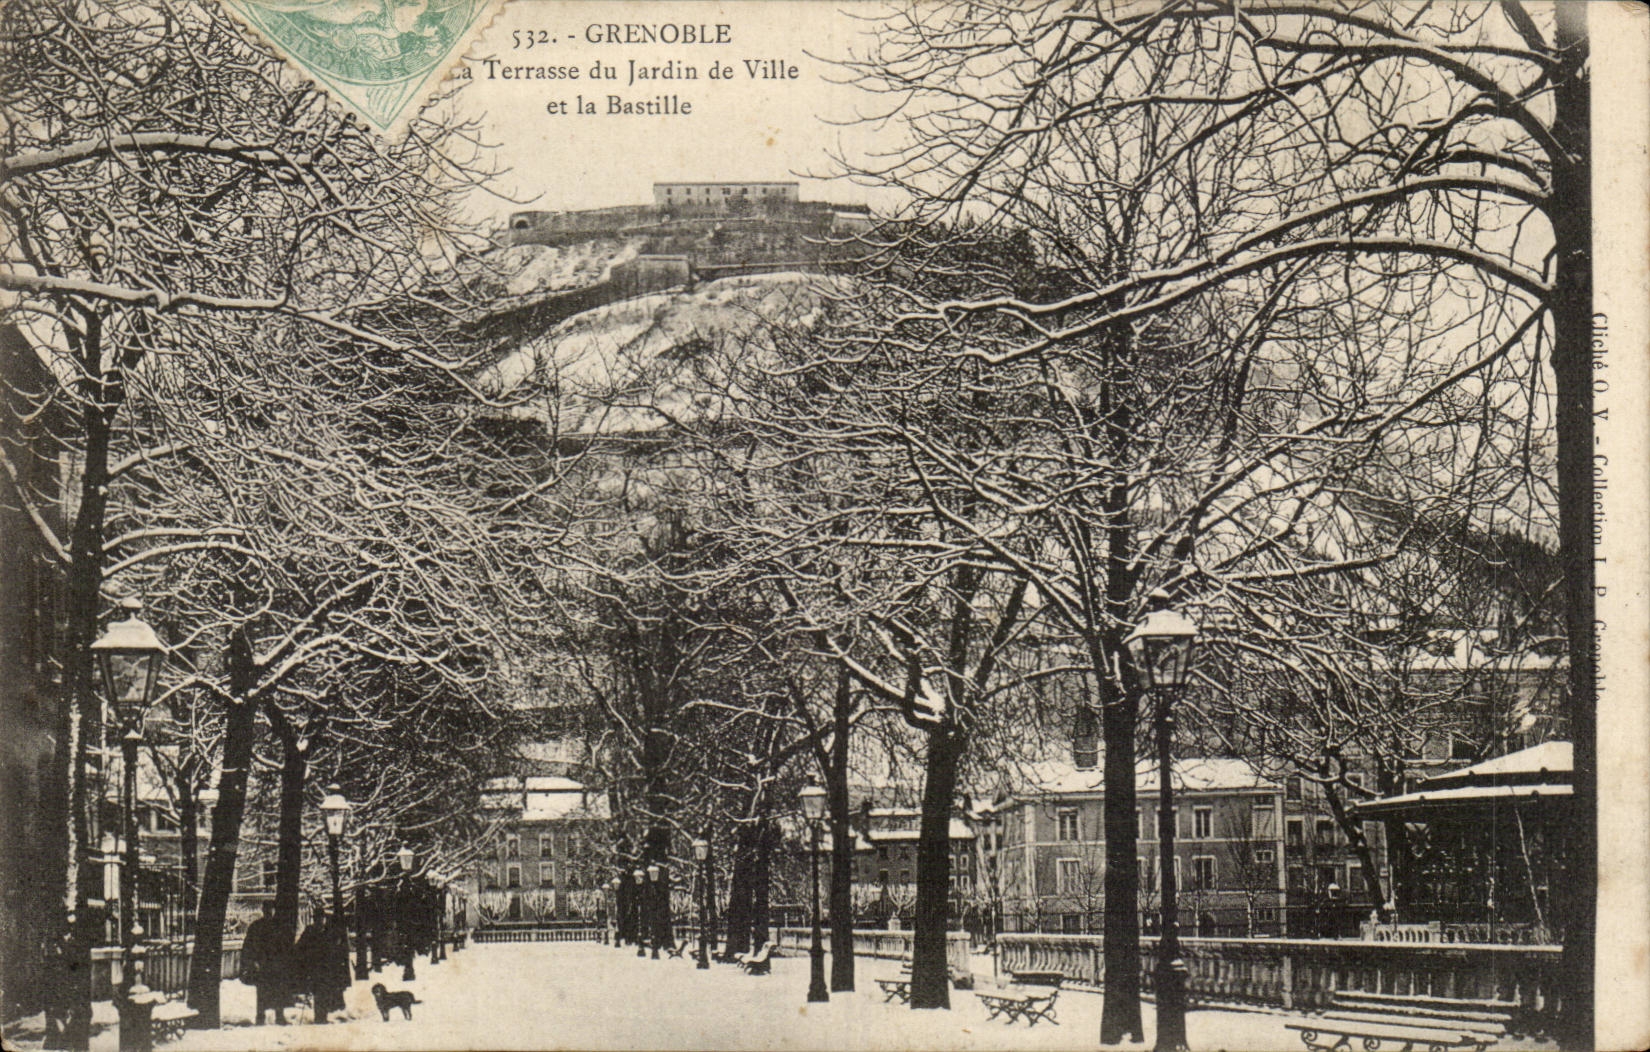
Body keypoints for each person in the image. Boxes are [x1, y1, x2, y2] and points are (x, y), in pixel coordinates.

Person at [241, 902, 290, 1026]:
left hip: (276, 965)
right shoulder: (256, 926)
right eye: (267, 910)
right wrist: (252, 961)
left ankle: (279, 1016)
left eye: (271, 910)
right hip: (262, 965)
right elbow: (248, 946)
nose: (269, 912)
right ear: (263, 911)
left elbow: (284, 946)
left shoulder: (279, 926)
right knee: (262, 991)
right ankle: (260, 1017)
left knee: (278, 990)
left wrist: (284, 960)